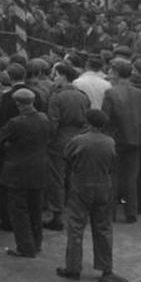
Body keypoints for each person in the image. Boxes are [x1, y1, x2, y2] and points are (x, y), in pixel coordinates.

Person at [57, 109, 115, 280]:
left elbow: (66, 156)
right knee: (103, 227)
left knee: (75, 227)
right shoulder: (109, 142)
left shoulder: (79, 140)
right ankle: (106, 267)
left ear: (88, 122)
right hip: (104, 185)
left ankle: (73, 268)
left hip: (81, 184)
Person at [0, 88, 51, 258]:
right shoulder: (44, 119)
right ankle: (36, 242)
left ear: (17, 103)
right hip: (39, 168)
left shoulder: (16, 122)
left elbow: (0, 137)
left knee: (19, 210)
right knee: (36, 208)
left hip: (18, 170)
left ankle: (25, 246)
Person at [101, 58, 141, 223]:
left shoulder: (110, 93)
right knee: (131, 177)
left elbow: (105, 118)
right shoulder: (140, 94)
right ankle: (131, 213)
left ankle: (111, 213)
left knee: (113, 176)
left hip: (115, 139)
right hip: (135, 139)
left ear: (116, 73)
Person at [43, 63, 90, 231]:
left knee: (57, 178)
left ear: (63, 77)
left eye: (56, 75)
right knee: (74, 178)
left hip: (59, 142)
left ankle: (57, 214)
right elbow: (87, 120)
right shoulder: (82, 96)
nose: (54, 79)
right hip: (78, 140)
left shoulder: (56, 97)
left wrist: (48, 140)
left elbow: (52, 123)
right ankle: (77, 211)